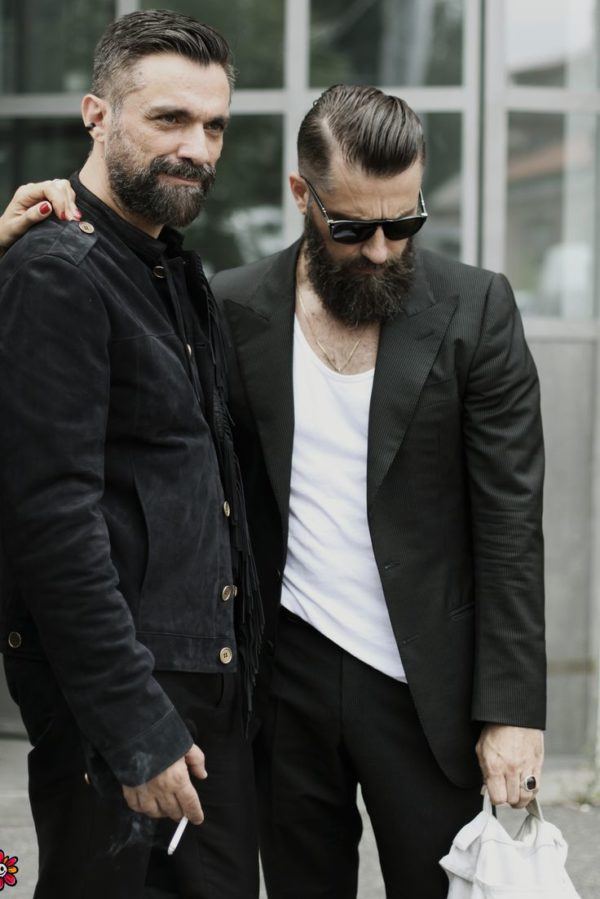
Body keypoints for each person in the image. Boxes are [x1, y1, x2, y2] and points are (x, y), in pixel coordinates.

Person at [3, 85, 546, 898]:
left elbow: (510, 524)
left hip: (426, 691)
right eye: (352, 227)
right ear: (301, 194)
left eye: (404, 224)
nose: (380, 250)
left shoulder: (478, 308)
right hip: (281, 688)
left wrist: (512, 710)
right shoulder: (226, 303)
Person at [0, 10, 261, 899]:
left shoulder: (173, 273)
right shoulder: (57, 272)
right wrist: (135, 727)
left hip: (200, 685)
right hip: (121, 706)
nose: (197, 147)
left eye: (215, 125)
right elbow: (52, 521)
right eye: (169, 118)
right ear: (97, 115)